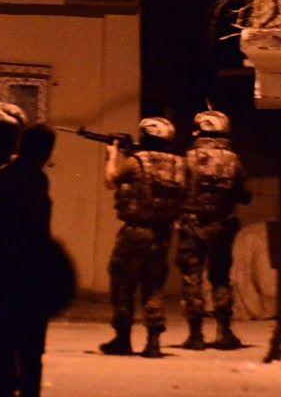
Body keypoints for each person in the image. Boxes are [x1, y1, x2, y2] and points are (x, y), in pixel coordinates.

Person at [0, 124, 75, 396]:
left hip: (2, 273)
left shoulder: (1, 176)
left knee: (4, 349)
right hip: (28, 274)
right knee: (30, 353)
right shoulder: (35, 180)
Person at [100, 117, 184, 358]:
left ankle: (122, 338)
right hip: (163, 232)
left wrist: (111, 157)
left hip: (136, 232)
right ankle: (153, 341)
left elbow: (110, 181)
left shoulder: (137, 161)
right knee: (153, 285)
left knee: (122, 282)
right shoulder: (178, 164)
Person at [176, 109, 251, 350]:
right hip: (221, 226)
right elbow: (245, 195)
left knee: (191, 278)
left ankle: (195, 334)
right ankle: (224, 331)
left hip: (191, 225)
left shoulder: (188, 158)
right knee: (220, 278)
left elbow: (178, 189)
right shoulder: (233, 160)